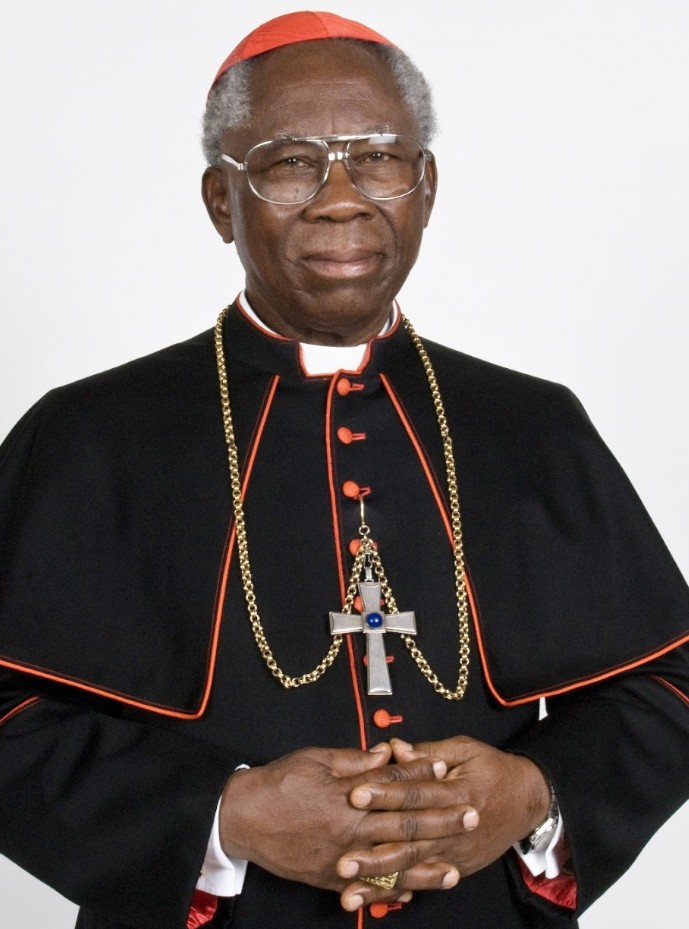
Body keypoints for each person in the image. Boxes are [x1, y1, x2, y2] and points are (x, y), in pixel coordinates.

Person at [1, 9, 688, 929]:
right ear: (220, 202)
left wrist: (533, 792)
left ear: (426, 187)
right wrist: (224, 819)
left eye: (378, 157)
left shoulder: (532, 426)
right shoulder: (91, 434)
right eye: (289, 162)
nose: (340, 198)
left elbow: (669, 686)